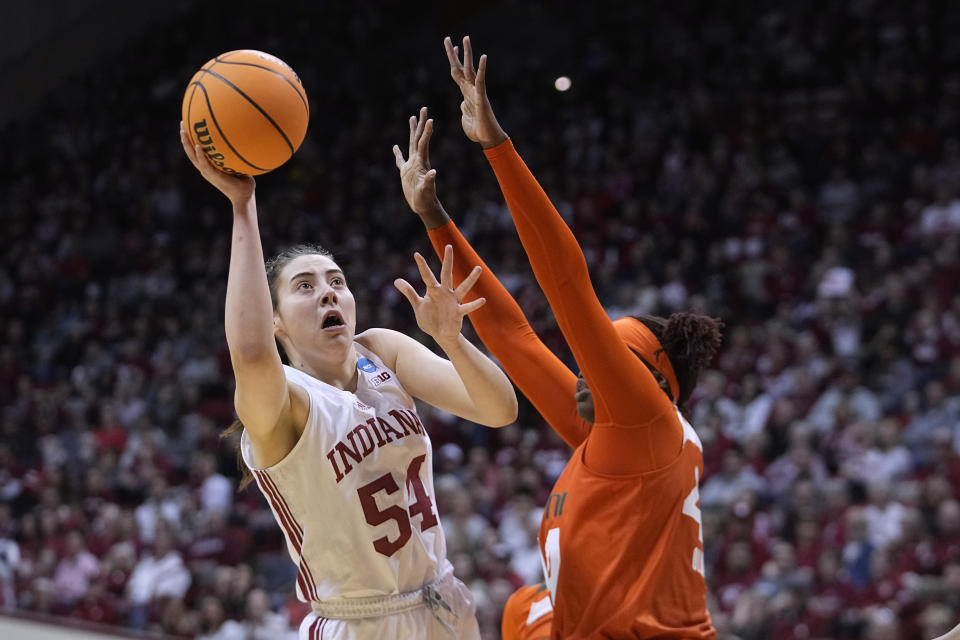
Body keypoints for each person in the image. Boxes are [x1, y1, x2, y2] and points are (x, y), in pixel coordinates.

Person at [393, 35, 722, 637]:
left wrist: (497, 147)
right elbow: (514, 336)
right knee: (525, 609)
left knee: (527, 612)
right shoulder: (614, 435)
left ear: (648, 381)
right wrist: (433, 216)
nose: (582, 375)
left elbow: (566, 286)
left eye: (603, 366)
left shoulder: (645, 421)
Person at [179, 121, 518, 640]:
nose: (328, 293)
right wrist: (243, 206)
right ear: (275, 321)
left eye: (337, 281)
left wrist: (452, 339)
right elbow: (248, 353)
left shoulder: (382, 349)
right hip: (362, 624)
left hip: (443, 602)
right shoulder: (287, 405)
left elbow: (501, 411)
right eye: (305, 286)